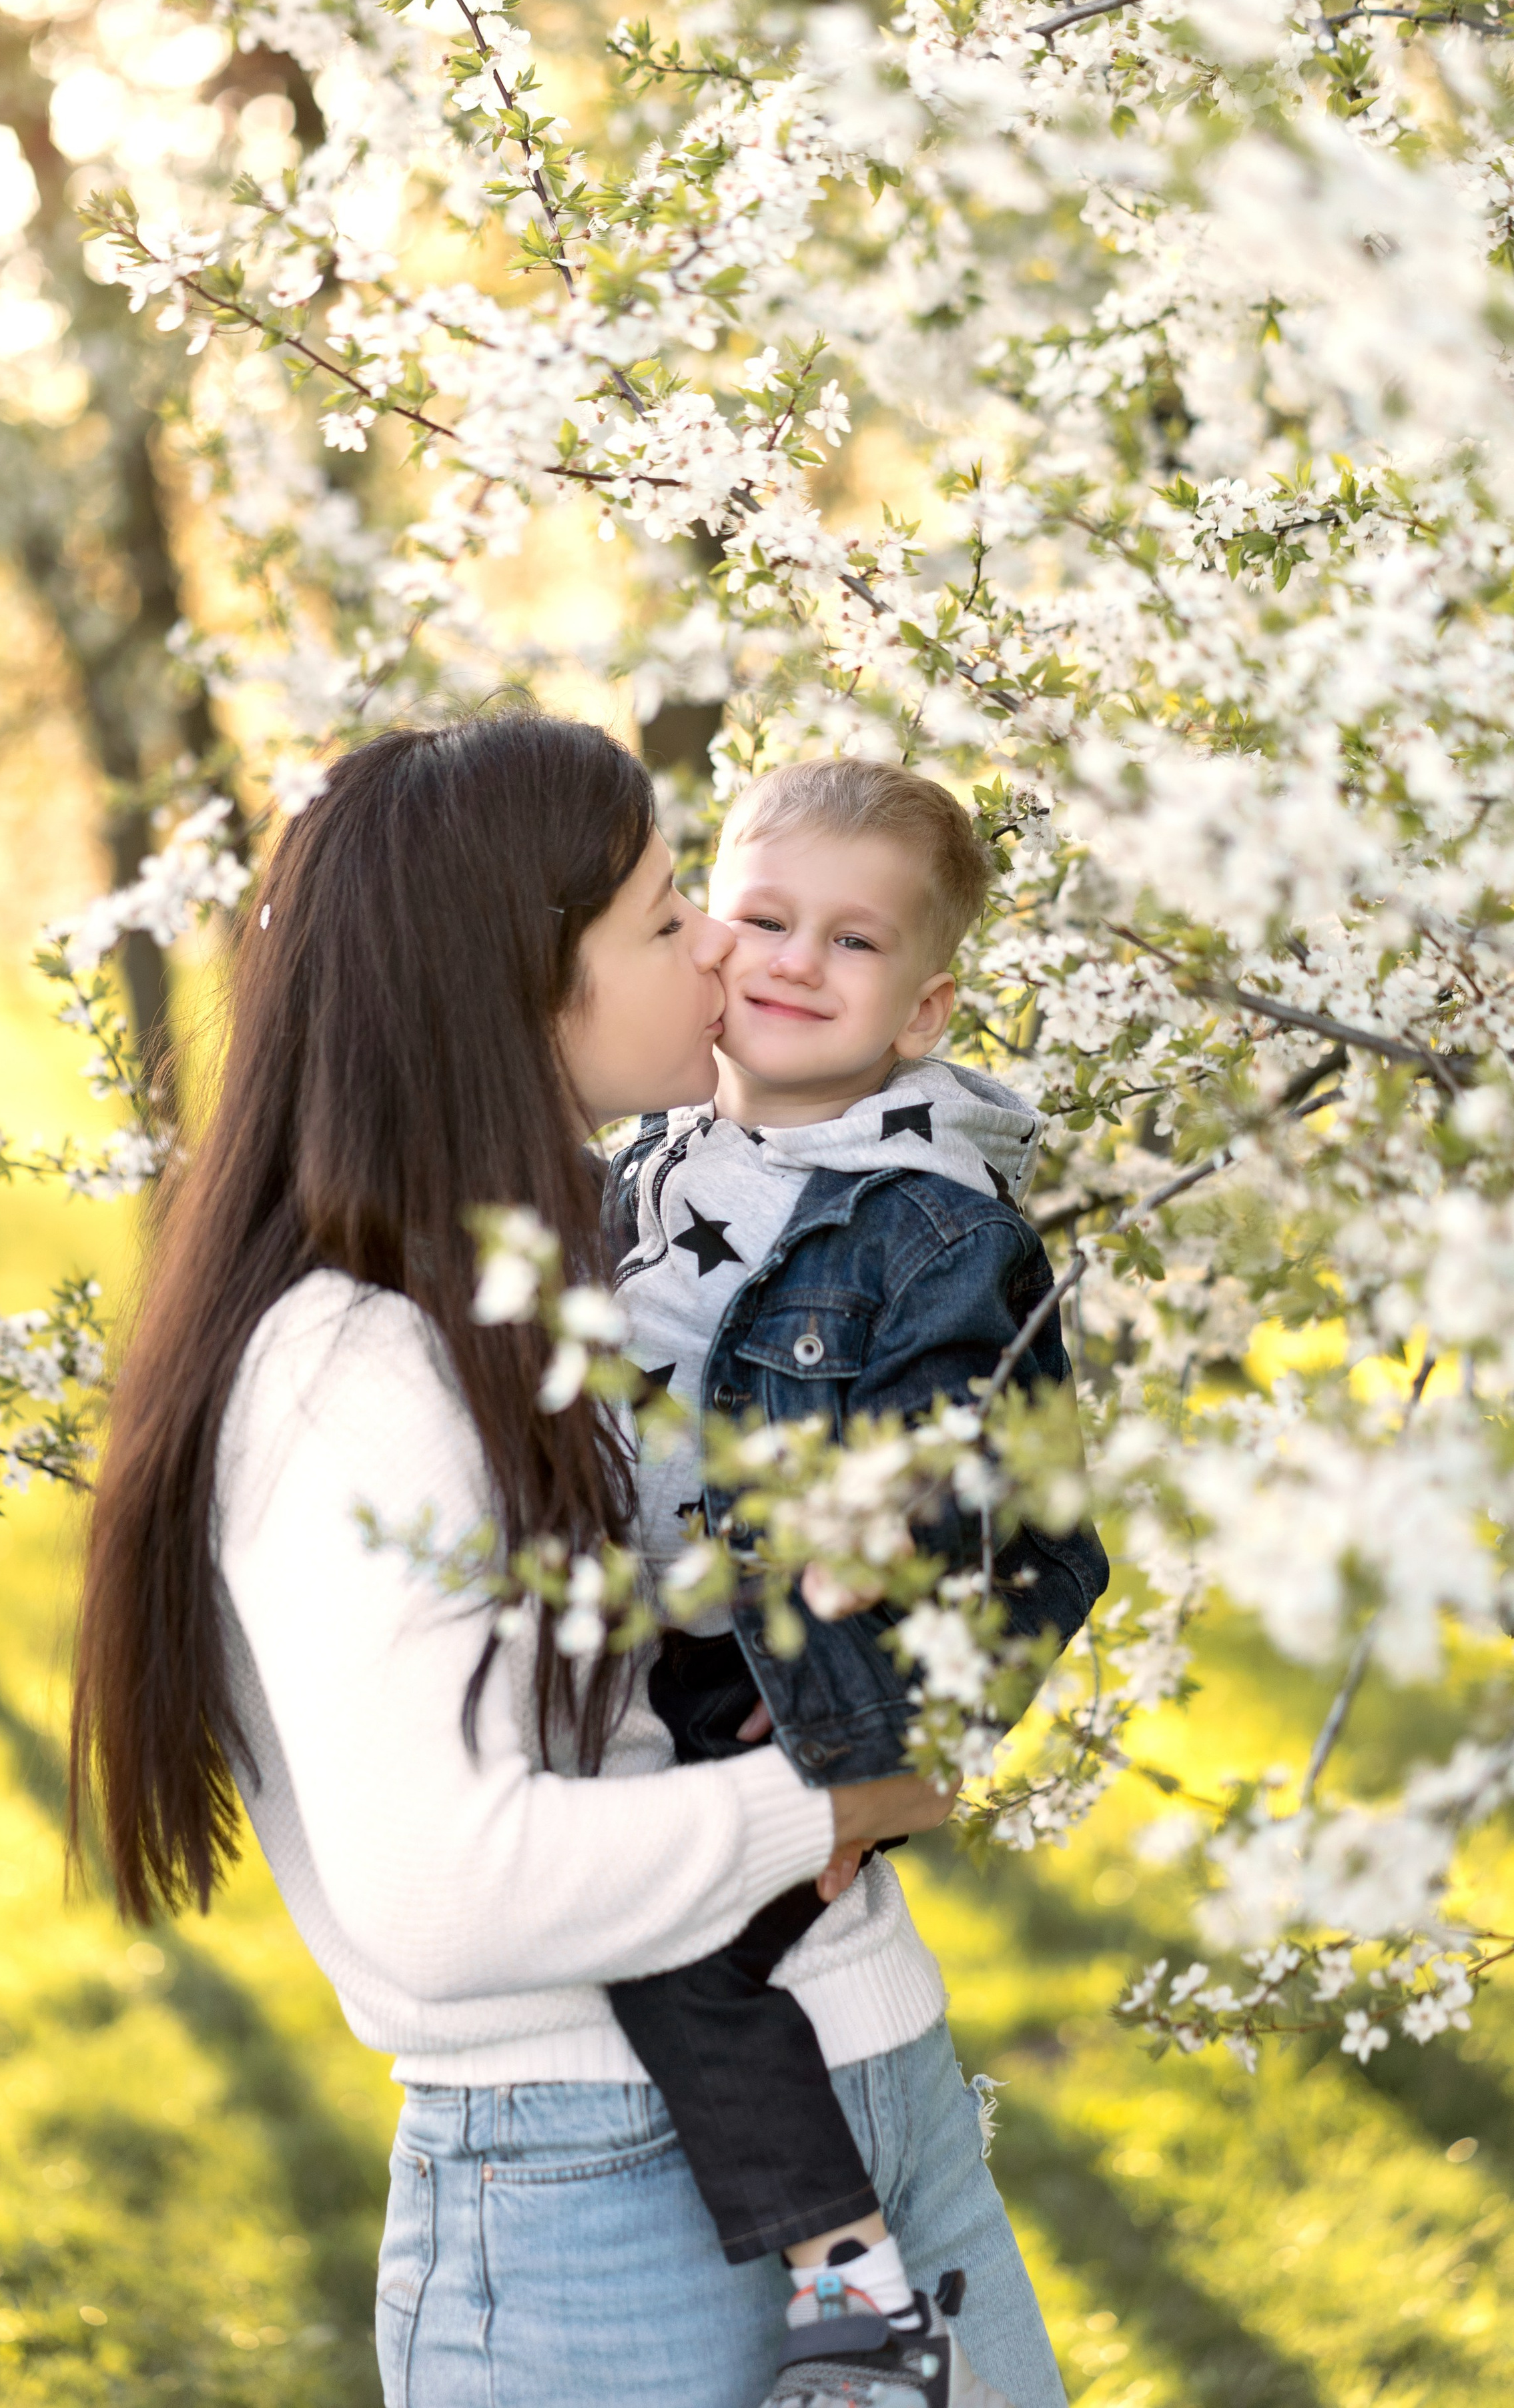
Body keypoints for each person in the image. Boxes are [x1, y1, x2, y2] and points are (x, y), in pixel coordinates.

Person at [69, 712, 1066, 2408]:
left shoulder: (610, 1263)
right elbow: (449, 1892)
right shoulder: (353, 1372)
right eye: (671, 915)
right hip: (599, 2189)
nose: (721, 956)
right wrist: (841, 1795)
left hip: (881, 2082)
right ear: (521, 984)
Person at [602, 757, 1105, 2405]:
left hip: (794, 1664)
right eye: (757, 916)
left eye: (853, 942)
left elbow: (983, 1453)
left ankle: (850, 2284)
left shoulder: (932, 1221)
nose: (793, 960)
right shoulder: (649, 1157)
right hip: (649, 1643)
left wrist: (878, 1520)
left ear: (920, 1006)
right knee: (622, 1899)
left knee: (678, 1939)